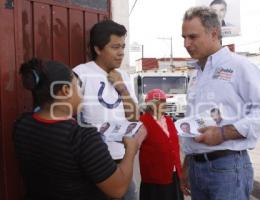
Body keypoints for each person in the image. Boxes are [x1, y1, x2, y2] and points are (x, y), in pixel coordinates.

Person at [180, 6, 260, 200]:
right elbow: (196, 122)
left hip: (226, 167)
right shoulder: (197, 73)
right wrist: (188, 163)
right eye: (184, 37)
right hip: (197, 167)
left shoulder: (240, 66)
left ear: (214, 33)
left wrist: (223, 133)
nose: (186, 43)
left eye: (192, 37)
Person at [13, 58, 142, 200]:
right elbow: (118, 189)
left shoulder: (22, 125)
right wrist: (131, 150)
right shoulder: (81, 137)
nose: (82, 93)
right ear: (65, 90)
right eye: (78, 86)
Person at [73, 20, 143, 200]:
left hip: (122, 161)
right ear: (98, 48)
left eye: (123, 47)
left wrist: (122, 88)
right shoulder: (81, 74)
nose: (121, 53)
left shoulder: (125, 76)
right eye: (115, 47)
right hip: (93, 165)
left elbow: (134, 117)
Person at [139, 89, 183, 200]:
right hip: (155, 177)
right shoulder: (142, 121)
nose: (161, 104)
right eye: (157, 101)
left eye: (163, 101)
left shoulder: (168, 120)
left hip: (173, 173)